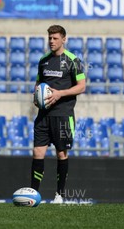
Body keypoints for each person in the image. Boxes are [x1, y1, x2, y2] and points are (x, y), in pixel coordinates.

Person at [29, 25, 85, 204]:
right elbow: (38, 84)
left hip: (63, 116)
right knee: (37, 152)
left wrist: (60, 93)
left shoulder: (73, 60)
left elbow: (82, 86)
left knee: (61, 154)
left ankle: (59, 195)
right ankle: (33, 194)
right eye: (50, 38)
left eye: (55, 38)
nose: (51, 41)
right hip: (43, 116)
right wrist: (36, 96)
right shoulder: (43, 60)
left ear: (64, 39)